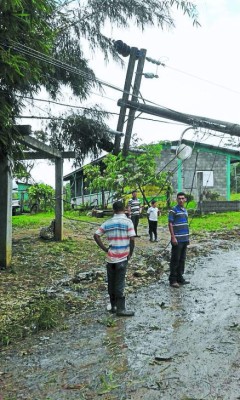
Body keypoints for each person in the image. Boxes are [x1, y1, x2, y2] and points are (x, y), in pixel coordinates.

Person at [93, 201, 135, 316]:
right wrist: (130, 253)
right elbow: (132, 239)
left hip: (110, 258)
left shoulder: (108, 222)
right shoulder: (128, 222)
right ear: (124, 209)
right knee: (120, 283)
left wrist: (105, 249)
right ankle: (121, 309)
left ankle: (113, 306)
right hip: (122, 257)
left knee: (111, 283)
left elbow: (96, 235)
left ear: (113, 210)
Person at [168, 192, 190, 288]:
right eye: (179, 198)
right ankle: (173, 280)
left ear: (185, 200)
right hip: (177, 239)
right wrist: (173, 237)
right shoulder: (173, 210)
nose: (181, 200)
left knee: (182, 259)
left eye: (182, 198)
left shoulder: (185, 210)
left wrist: (188, 237)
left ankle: (180, 277)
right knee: (175, 259)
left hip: (185, 238)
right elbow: (170, 223)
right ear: (177, 200)